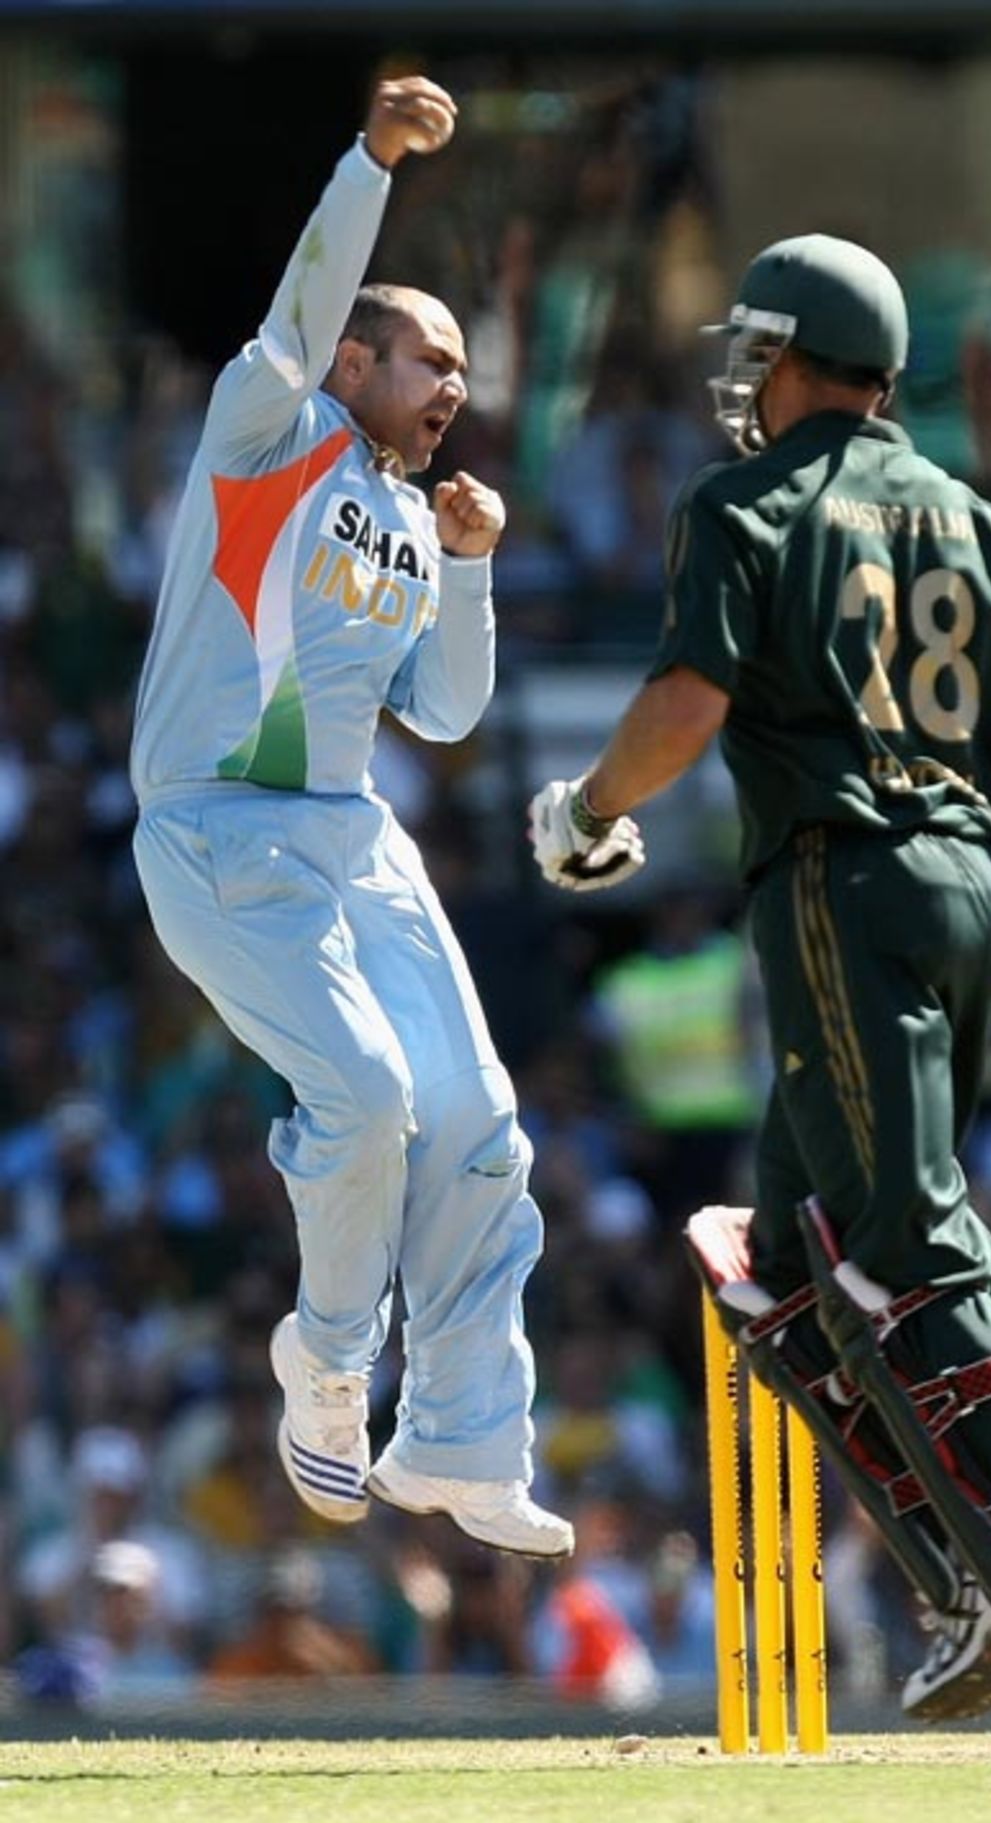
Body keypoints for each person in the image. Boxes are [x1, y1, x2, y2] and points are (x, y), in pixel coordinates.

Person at [528, 233, 991, 1760]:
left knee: (900, 1245)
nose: (744, 378)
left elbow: (687, 702)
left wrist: (588, 812)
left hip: (843, 888)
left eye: (762, 349)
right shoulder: (974, 517)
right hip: (971, 901)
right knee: (782, 1259)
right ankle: (969, 1580)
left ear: (806, 356)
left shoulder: (743, 504)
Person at [130, 77, 571, 1560]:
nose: (455, 386)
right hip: (216, 829)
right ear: (354, 362)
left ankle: (458, 1440)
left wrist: (469, 570)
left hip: (348, 834)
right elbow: (301, 309)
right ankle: (325, 1366)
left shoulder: (398, 509)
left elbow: (442, 714)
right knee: (370, 1099)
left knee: (479, 1124)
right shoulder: (270, 431)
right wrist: (370, 163)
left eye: (462, 367)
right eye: (428, 359)